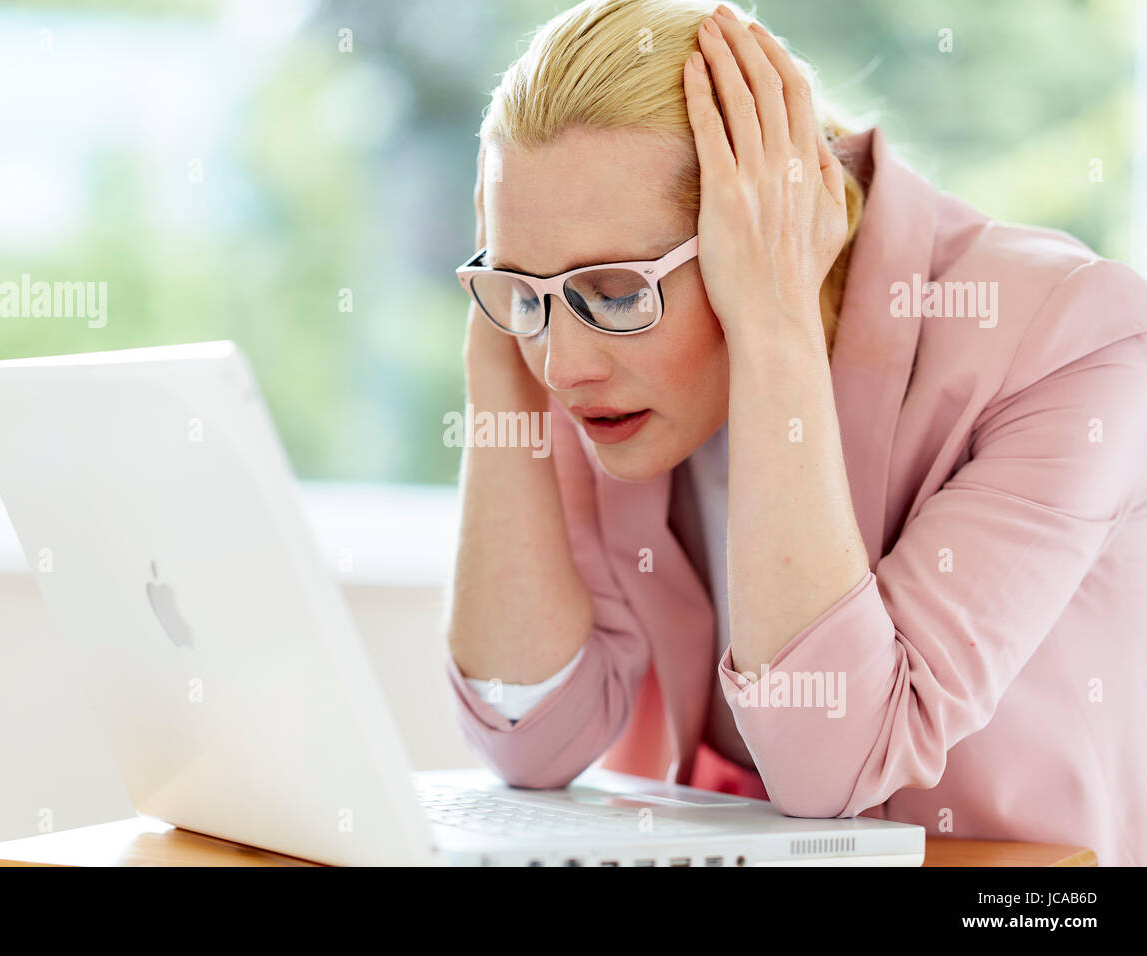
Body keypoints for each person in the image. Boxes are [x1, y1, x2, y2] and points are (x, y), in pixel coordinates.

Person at [445, 0, 1147, 866]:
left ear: (758, 227)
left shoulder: (1073, 336)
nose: (561, 368)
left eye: (620, 292)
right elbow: (528, 736)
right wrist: (495, 364)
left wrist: (775, 320)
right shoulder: (576, 344)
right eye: (524, 291)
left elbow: (834, 761)